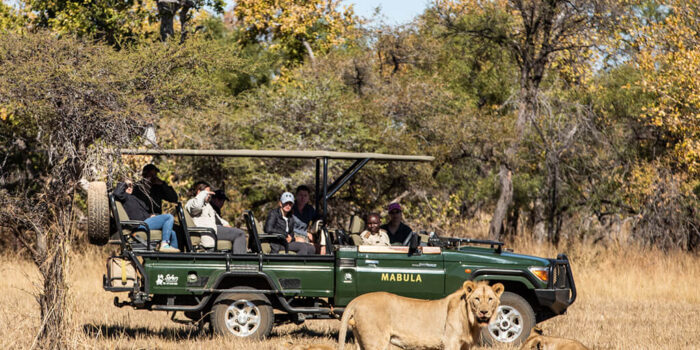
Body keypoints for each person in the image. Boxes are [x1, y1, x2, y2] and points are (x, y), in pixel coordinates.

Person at [113, 181, 179, 252]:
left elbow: (141, 212)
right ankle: (164, 245)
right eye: (127, 187)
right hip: (139, 224)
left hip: (145, 221)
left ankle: (174, 258)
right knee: (169, 217)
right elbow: (117, 193)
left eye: (131, 186)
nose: (129, 188)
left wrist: (150, 216)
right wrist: (124, 183)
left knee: (172, 233)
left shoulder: (134, 197)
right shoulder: (124, 197)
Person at [185, 181, 247, 254]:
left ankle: (236, 259)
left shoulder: (206, 204)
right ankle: (239, 263)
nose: (209, 195)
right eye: (207, 193)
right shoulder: (192, 202)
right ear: (199, 192)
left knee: (239, 233)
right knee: (240, 234)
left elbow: (216, 217)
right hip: (206, 232)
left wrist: (225, 224)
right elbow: (196, 207)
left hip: (212, 229)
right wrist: (202, 194)